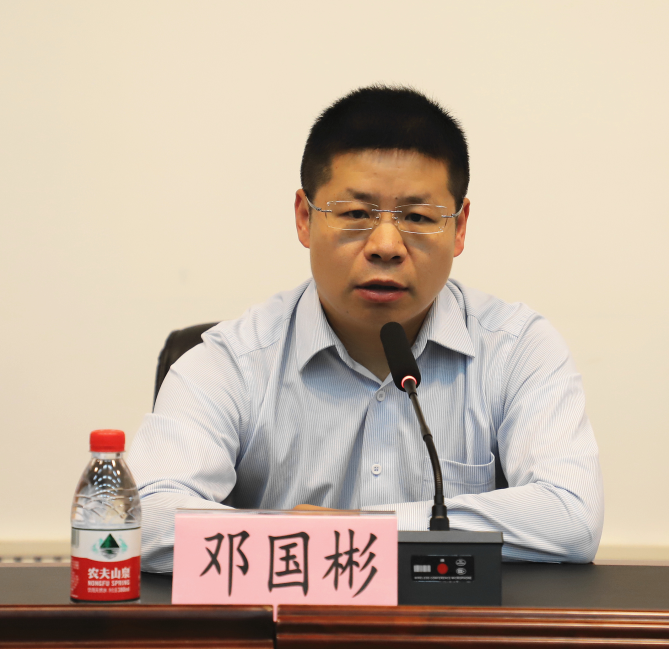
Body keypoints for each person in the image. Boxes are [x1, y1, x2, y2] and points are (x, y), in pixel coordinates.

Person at [129, 85, 604, 573]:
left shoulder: (517, 349)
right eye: (356, 214)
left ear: (459, 227)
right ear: (304, 218)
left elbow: (571, 517)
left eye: (417, 217)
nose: (385, 245)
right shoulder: (232, 362)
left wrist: (359, 530)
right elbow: (142, 518)